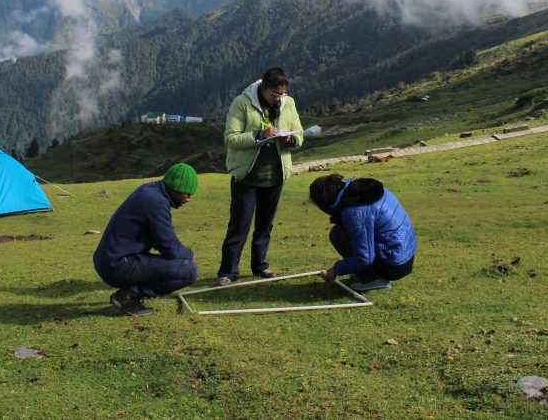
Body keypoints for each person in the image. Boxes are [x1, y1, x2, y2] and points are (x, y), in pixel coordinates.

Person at [217, 67, 304, 286]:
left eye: (282, 94)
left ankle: (260, 265)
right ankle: (228, 271)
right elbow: (231, 139)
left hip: (275, 176)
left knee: (265, 224)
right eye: (275, 94)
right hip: (247, 176)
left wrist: (290, 140)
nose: (279, 98)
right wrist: (259, 135)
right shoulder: (242, 102)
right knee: (239, 225)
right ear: (263, 87)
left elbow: (299, 134)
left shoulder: (288, 103)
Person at [93, 163, 199, 315]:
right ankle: (128, 296)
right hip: (118, 264)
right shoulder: (156, 202)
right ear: (176, 188)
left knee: (178, 262)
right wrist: (190, 255)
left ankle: (130, 293)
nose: (188, 199)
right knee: (189, 271)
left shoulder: (149, 191)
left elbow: (160, 240)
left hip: (110, 259)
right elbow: (168, 245)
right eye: (187, 194)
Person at [308, 173, 417, 292]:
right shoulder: (362, 191)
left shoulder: (354, 211)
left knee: (337, 236)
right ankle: (366, 273)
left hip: (395, 265)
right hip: (405, 252)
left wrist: (336, 269)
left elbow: (363, 257)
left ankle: (374, 279)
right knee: (340, 232)